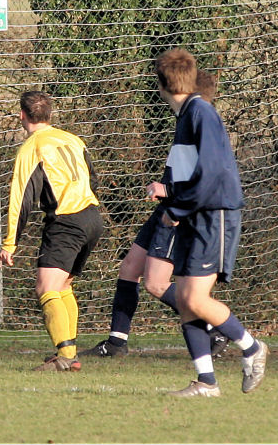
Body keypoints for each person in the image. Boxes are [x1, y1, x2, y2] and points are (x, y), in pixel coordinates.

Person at [81, 69, 229, 359]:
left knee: (156, 283)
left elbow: (205, 178)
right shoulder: (186, 120)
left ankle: (214, 327)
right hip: (165, 207)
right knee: (129, 269)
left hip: (178, 212)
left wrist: (169, 191)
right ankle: (116, 343)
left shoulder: (201, 123)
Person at [148, 48, 267, 397]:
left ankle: (252, 347)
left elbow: (212, 174)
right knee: (185, 299)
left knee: (196, 299)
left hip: (214, 215)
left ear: (162, 85)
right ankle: (206, 382)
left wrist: (177, 208)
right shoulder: (187, 114)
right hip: (196, 214)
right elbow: (194, 173)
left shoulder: (201, 112)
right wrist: (169, 192)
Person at [0, 91, 103, 372]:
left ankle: (66, 356)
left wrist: (9, 243)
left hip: (67, 221)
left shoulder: (32, 147)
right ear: (50, 114)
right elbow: (92, 177)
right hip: (92, 216)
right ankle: (69, 353)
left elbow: (20, 199)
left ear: (22, 115)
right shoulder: (73, 139)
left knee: (46, 288)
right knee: (64, 286)